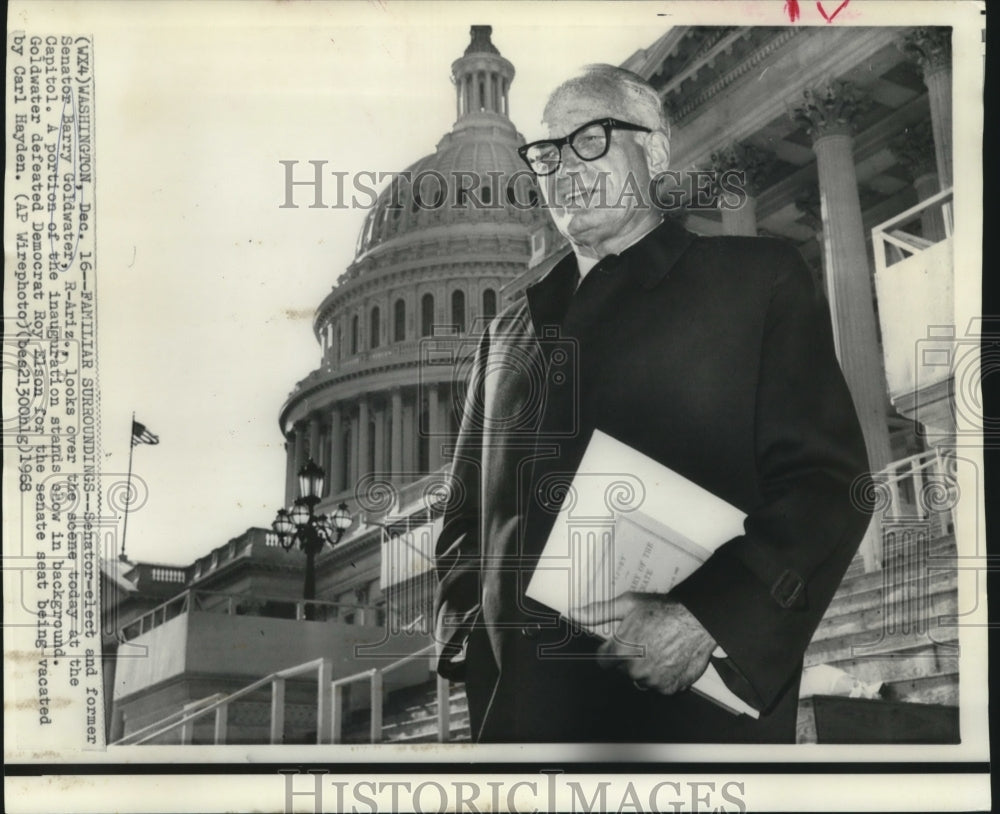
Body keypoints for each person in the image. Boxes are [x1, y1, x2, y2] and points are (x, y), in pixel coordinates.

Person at [433, 64, 872, 743]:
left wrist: (709, 618)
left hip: (683, 721)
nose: (565, 170)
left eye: (591, 141)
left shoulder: (756, 284)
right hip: (521, 723)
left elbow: (828, 485)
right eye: (548, 153)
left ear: (656, 151)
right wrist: (472, 634)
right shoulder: (505, 334)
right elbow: (464, 518)